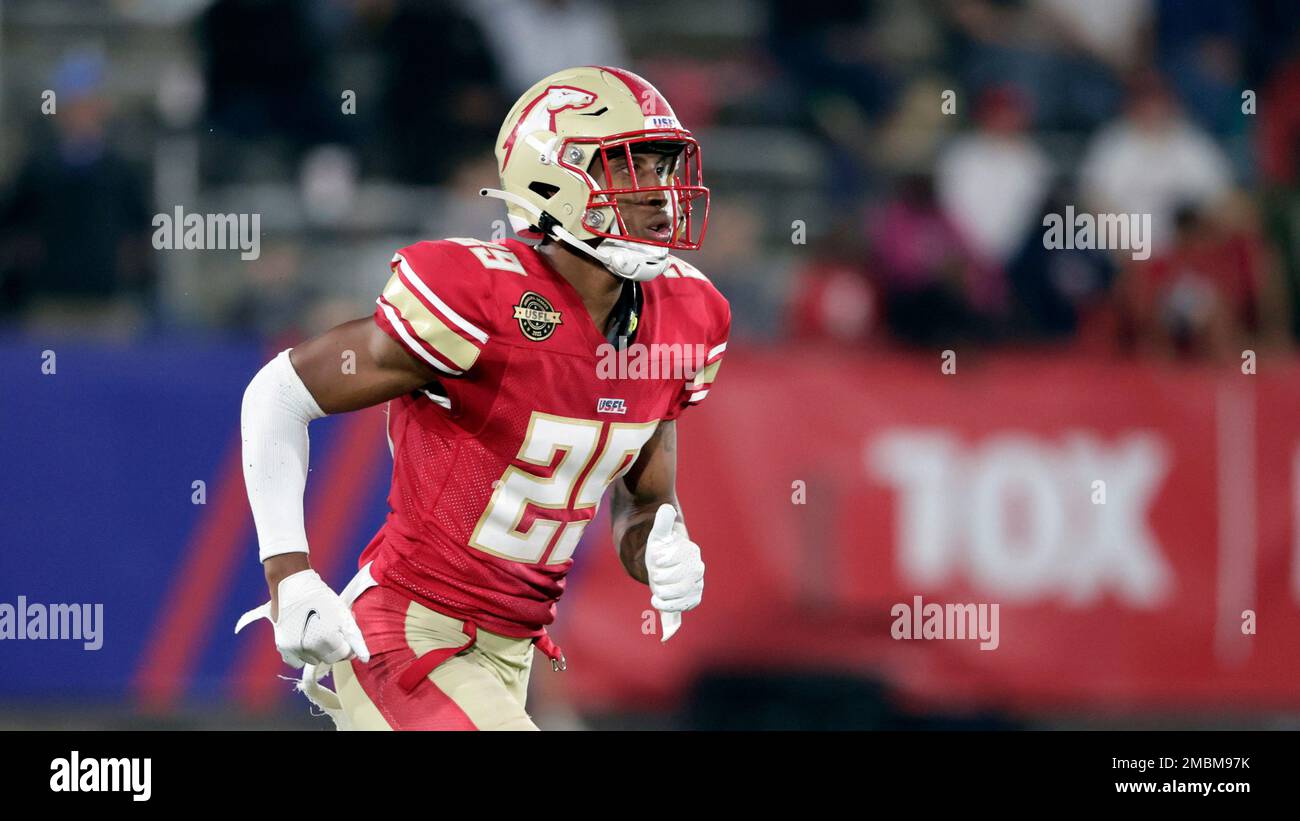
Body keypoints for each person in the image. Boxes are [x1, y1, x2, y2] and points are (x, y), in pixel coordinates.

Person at [235, 66, 730, 730]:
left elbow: (644, 501)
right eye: (628, 166)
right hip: (405, 636)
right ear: (555, 176)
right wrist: (289, 575)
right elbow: (278, 391)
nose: (660, 194)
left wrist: (660, 547)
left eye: (664, 167)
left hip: (508, 654)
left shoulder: (685, 315)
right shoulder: (482, 296)